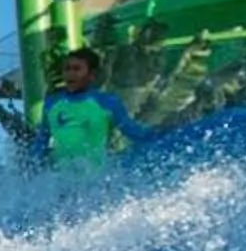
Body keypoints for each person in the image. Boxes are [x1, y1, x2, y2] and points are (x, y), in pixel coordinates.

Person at [13, 47, 153, 171]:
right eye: (67, 69)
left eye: (77, 69)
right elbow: (42, 140)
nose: (70, 74)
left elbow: (134, 132)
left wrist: (159, 133)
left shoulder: (107, 102)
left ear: (91, 75)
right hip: (60, 181)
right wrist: (30, 165)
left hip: (96, 180)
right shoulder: (52, 103)